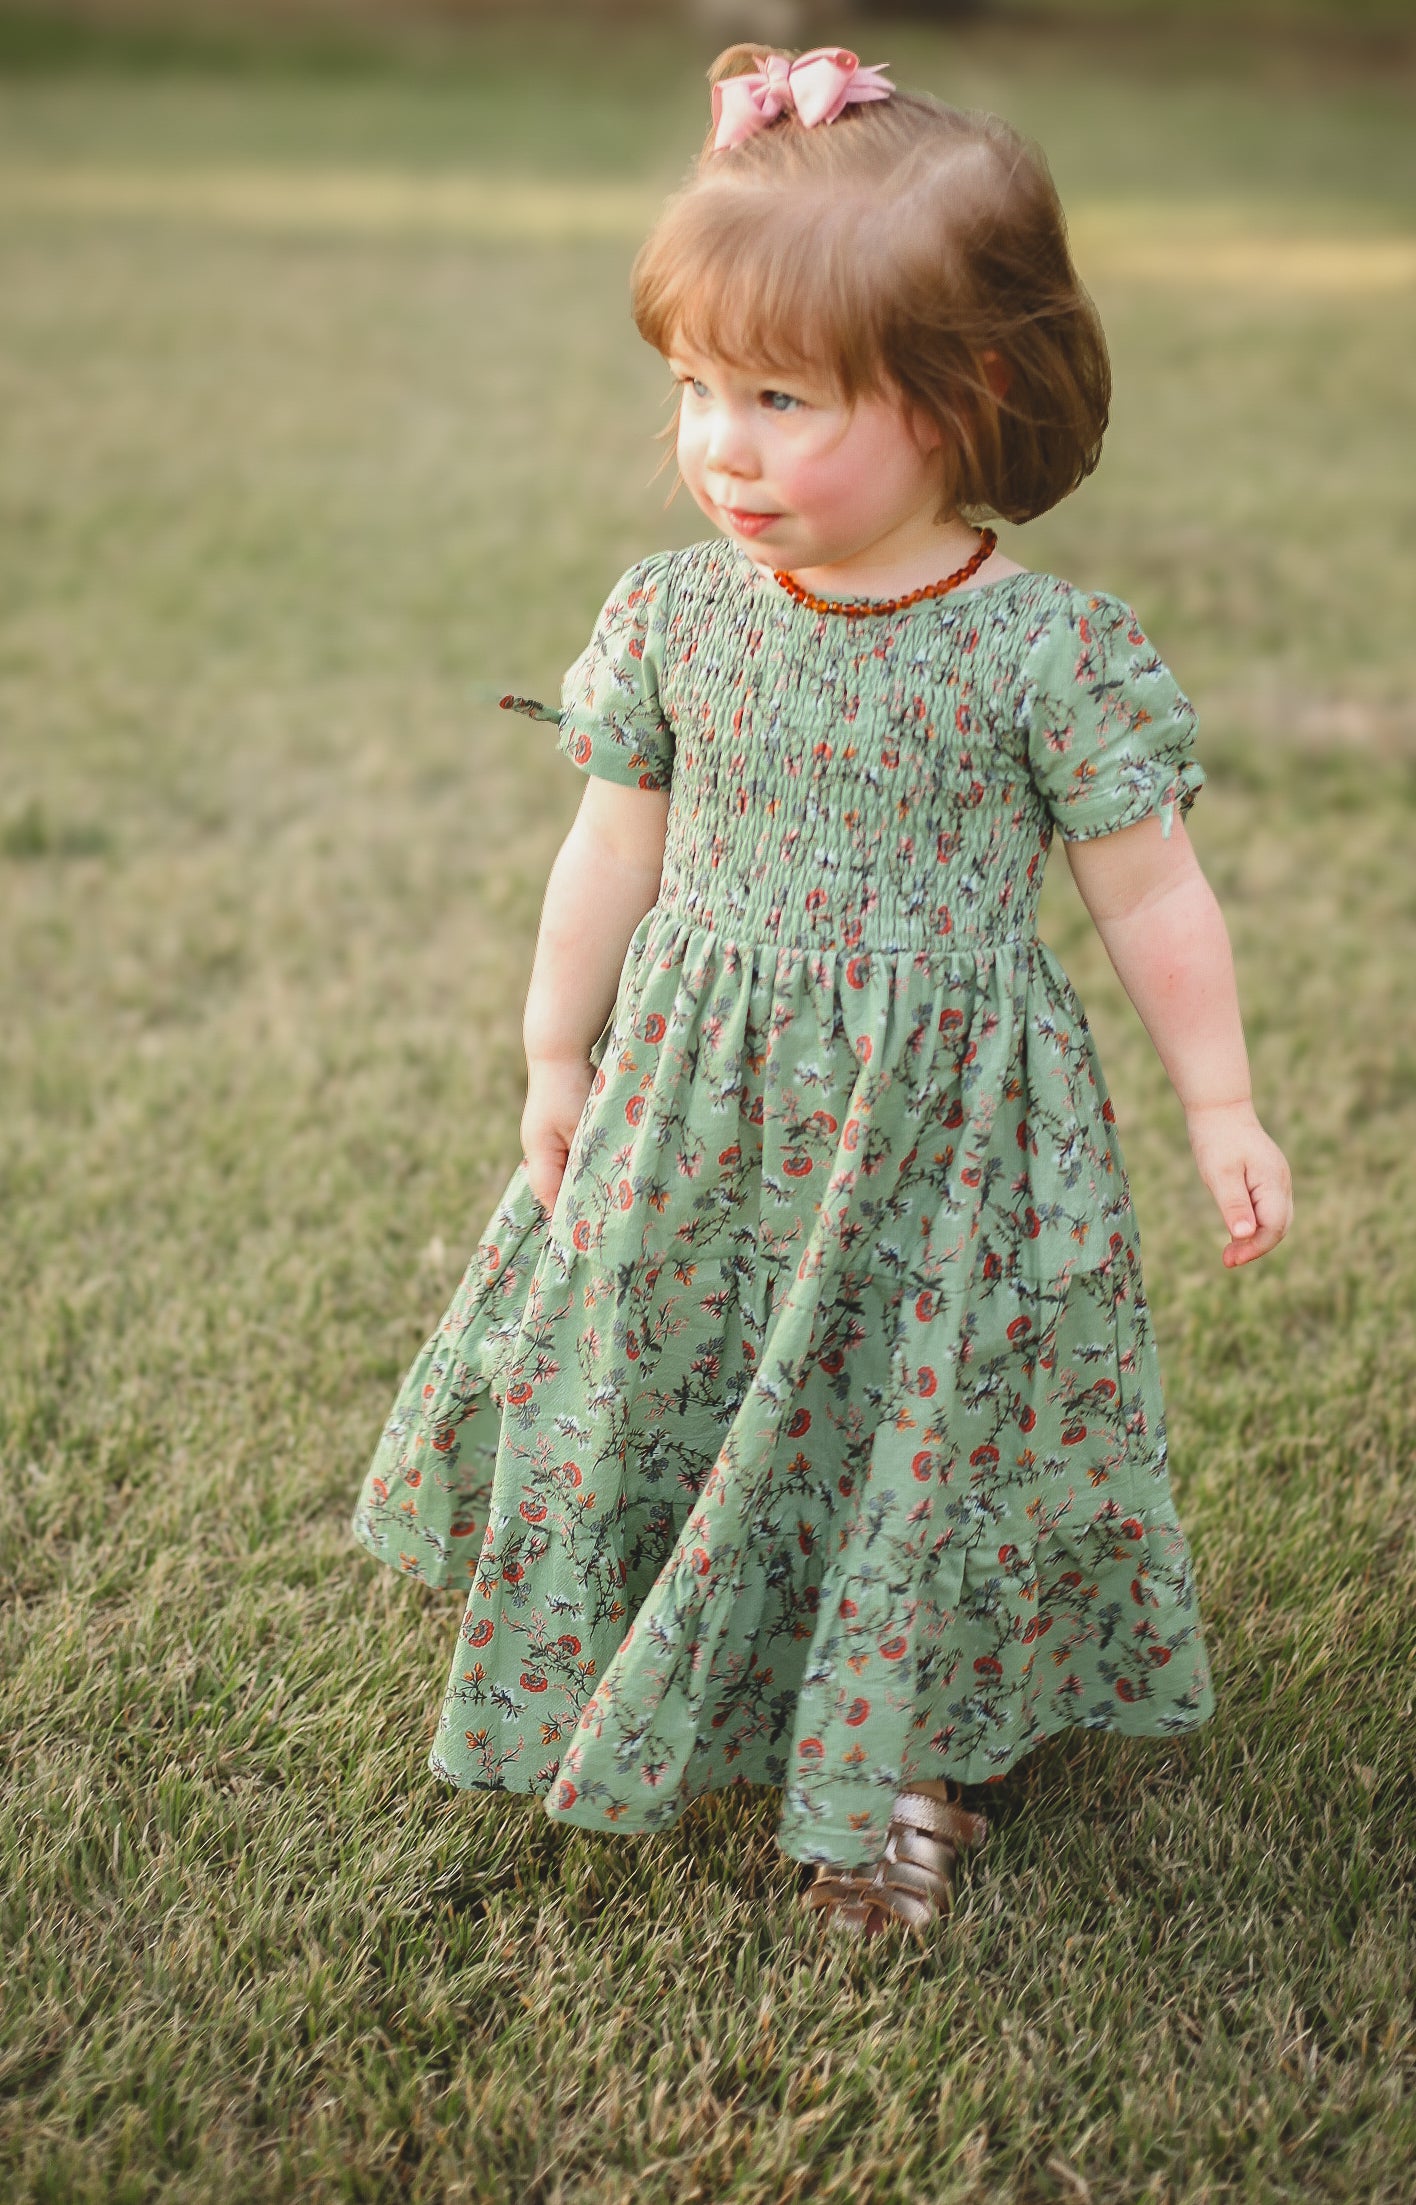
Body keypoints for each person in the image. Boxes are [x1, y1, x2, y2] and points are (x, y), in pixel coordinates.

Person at [352, 44, 1294, 1940]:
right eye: (696, 389)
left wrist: (1222, 1102)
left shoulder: (1043, 657)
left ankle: (895, 1766)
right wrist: (555, 1044)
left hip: (938, 1136)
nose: (722, 445)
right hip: (695, 1100)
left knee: (909, 1427)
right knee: (674, 1373)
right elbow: (612, 847)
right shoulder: (675, 615)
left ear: (972, 393)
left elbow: (1153, 892)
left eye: (782, 397)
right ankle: (655, 1657)